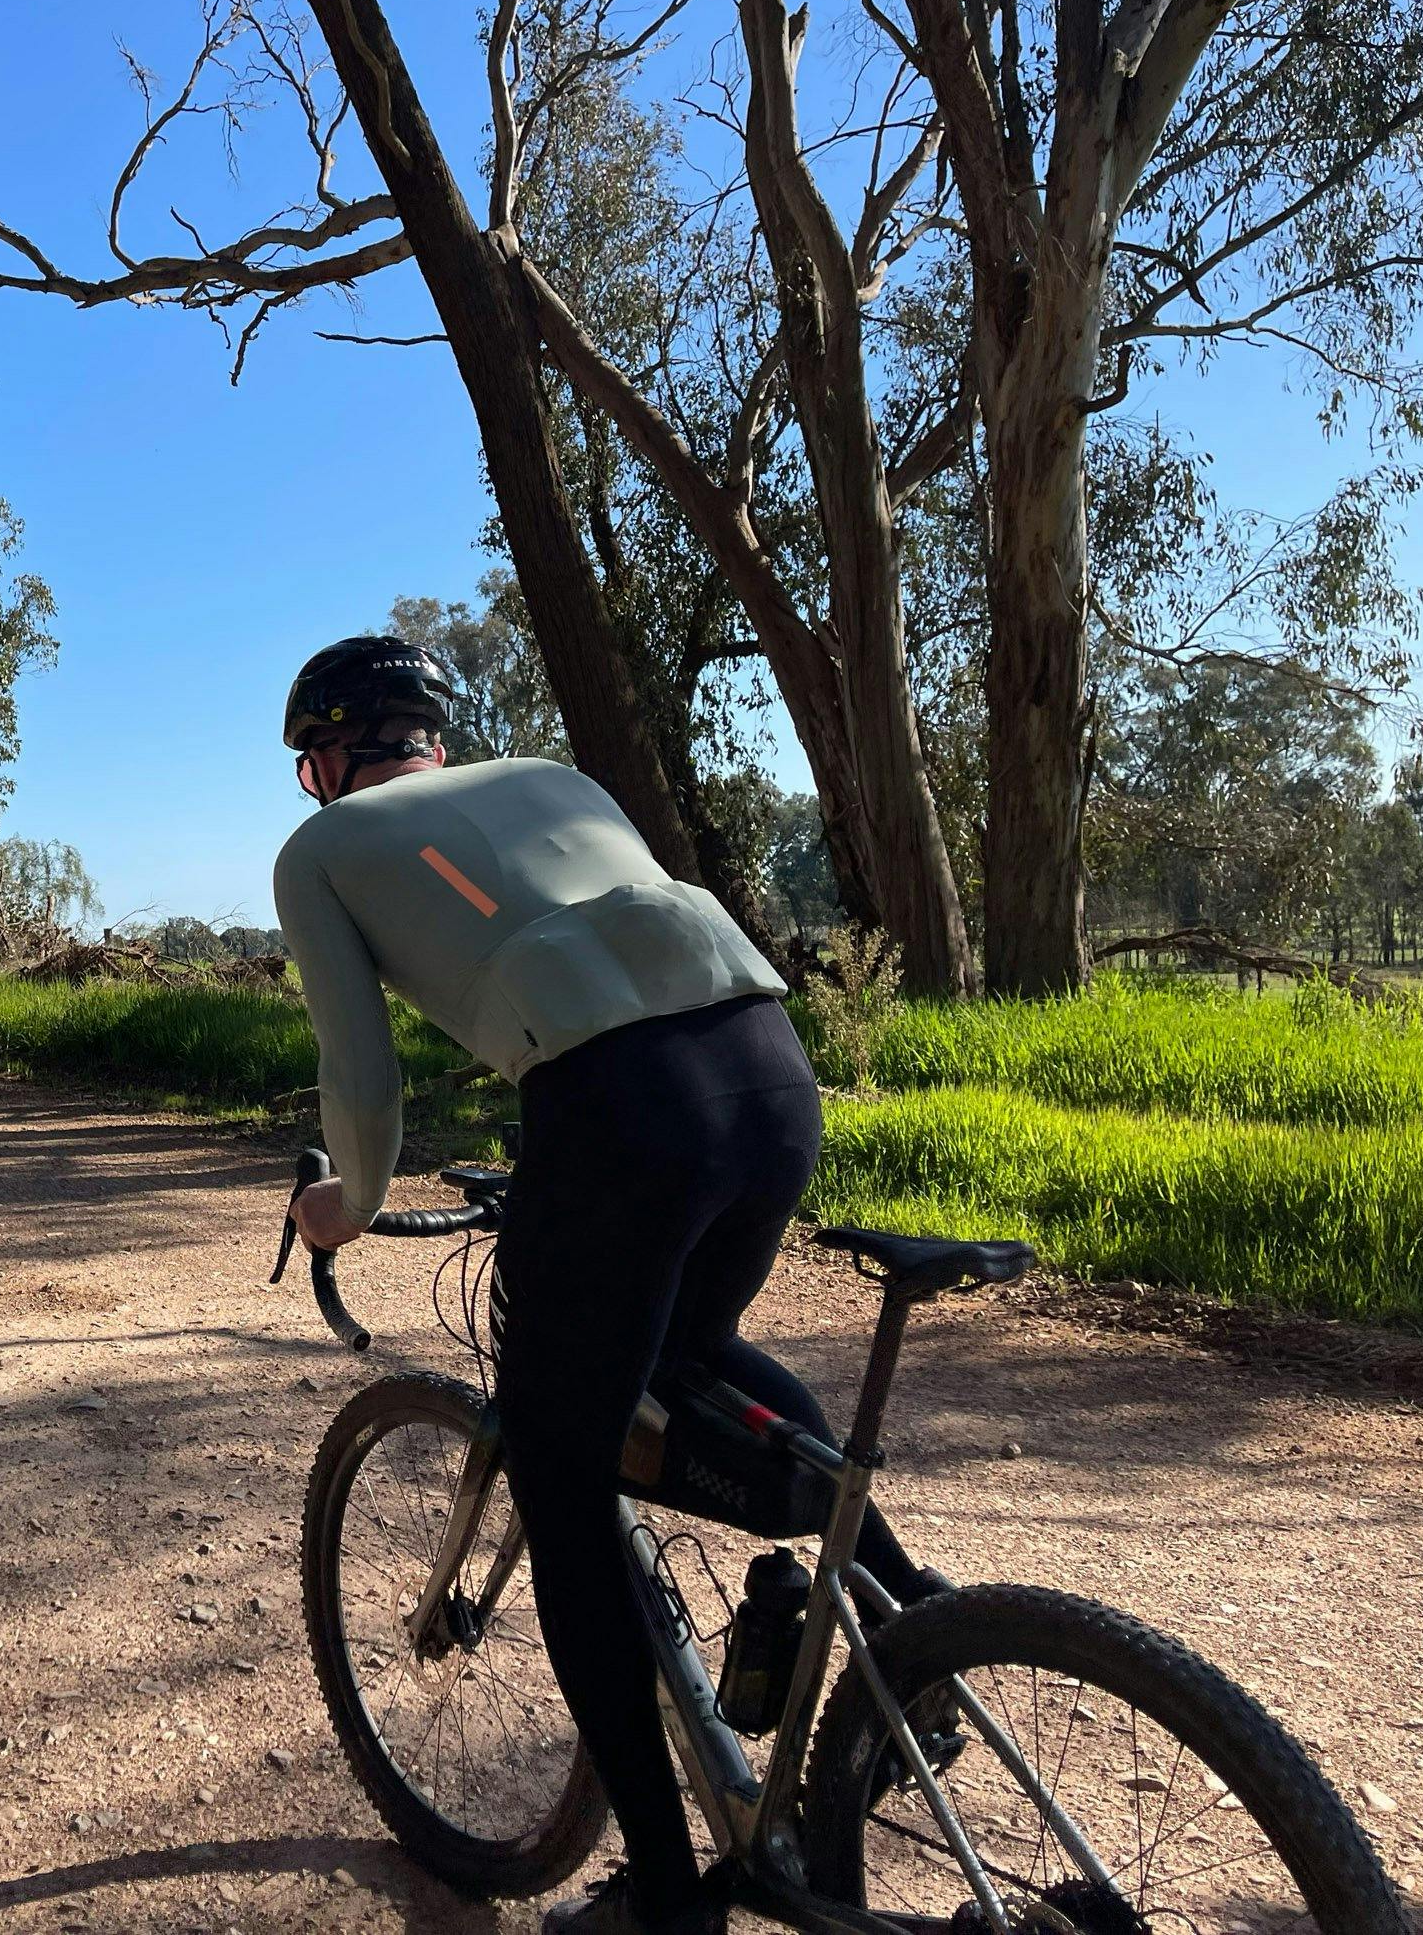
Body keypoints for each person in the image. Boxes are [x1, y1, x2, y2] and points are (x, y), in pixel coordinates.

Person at [273, 636, 936, 1935]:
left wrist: (340, 1210)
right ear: (434, 740)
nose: (313, 787)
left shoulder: (321, 852)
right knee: (689, 1345)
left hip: (620, 1107)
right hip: (769, 1069)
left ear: (337, 754)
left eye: (310, 764)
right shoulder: (560, 781)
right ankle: (921, 1633)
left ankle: (670, 1898)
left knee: (565, 1484)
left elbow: (365, 1088)